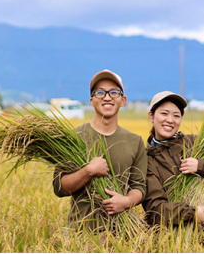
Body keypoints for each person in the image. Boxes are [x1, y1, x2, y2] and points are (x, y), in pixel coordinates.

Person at [53, 70, 147, 232]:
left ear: (123, 100)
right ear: (91, 100)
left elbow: (140, 187)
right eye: (100, 92)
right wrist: (88, 171)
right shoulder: (73, 137)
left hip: (123, 235)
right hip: (80, 235)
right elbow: (59, 187)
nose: (107, 97)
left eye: (114, 92)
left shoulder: (135, 141)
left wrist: (126, 201)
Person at [142, 91, 204, 231]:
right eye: (164, 113)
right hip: (172, 240)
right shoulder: (147, 160)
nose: (170, 120)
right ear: (151, 116)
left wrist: (200, 165)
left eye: (176, 115)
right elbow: (155, 209)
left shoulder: (197, 144)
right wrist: (192, 213)